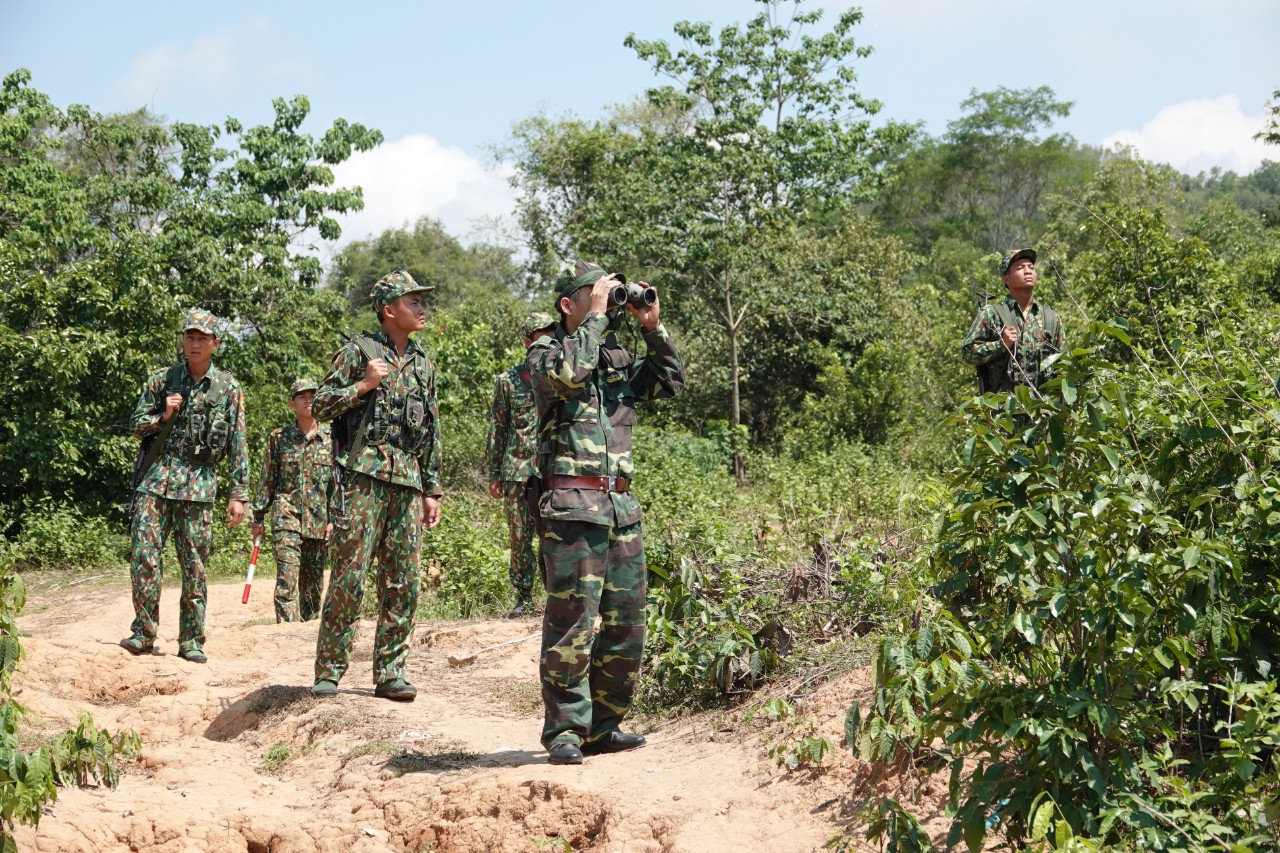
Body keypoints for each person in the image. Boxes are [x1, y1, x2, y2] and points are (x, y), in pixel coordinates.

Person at [527, 261, 684, 765]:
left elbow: (673, 381)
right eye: (591, 294)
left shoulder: (615, 358)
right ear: (567, 305)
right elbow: (568, 376)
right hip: (572, 509)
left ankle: (603, 725)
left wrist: (651, 325)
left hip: (620, 510)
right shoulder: (546, 352)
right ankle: (565, 731)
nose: (604, 300)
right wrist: (595, 317)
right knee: (573, 622)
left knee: (627, 624)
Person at [310, 270, 443, 702]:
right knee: (350, 576)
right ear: (389, 310)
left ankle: (390, 672)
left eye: (423, 302)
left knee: (404, 579)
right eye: (413, 302)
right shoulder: (358, 352)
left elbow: (432, 430)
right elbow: (319, 406)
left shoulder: (423, 365)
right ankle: (329, 671)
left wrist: (432, 489)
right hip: (363, 475)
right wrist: (364, 384)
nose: (422, 309)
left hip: (406, 479)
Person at [120, 308, 249, 664]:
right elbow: (135, 426)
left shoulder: (228, 388)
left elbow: (238, 442)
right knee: (144, 558)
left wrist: (239, 494)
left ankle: (191, 640)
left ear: (215, 344)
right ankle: (143, 632)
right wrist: (162, 416)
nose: (195, 344)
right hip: (155, 480)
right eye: (190, 337)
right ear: (183, 341)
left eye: (202, 339)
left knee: (194, 566)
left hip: (199, 484)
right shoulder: (162, 380)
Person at [484, 311, 558, 618]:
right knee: (520, 538)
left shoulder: (563, 376)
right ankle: (523, 597)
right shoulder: (508, 381)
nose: (548, 340)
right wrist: (494, 473)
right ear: (527, 341)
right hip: (517, 471)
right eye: (541, 335)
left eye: (551, 334)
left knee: (555, 536)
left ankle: (558, 596)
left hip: (554, 470)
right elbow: (498, 428)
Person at [251, 378, 332, 623]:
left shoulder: (332, 438)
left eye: (313, 395)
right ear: (292, 403)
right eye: (302, 396)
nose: (308, 400)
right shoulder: (279, 438)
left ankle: (306, 635)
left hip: (319, 522)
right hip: (286, 518)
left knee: (312, 587)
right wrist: (258, 517)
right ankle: (286, 631)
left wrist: (335, 520)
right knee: (287, 578)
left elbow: (339, 484)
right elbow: (268, 479)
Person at [961, 248, 1066, 395]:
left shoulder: (1050, 317)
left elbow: (1063, 366)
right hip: (1004, 413)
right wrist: (1001, 344)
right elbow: (967, 353)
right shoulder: (992, 313)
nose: (1028, 271)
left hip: (1043, 412)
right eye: (1020, 268)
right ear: (1006, 279)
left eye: (1031, 267)